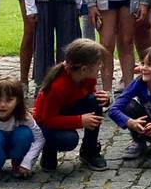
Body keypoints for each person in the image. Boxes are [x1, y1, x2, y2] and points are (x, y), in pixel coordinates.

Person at [32, 38, 111, 171]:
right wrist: (80, 120)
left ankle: (89, 150)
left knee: (96, 100)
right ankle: (49, 148)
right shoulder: (58, 86)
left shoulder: (86, 76)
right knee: (69, 139)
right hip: (45, 123)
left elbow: (89, 94)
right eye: (98, 64)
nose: (101, 66)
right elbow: (47, 119)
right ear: (84, 69)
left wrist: (105, 99)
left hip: (67, 109)